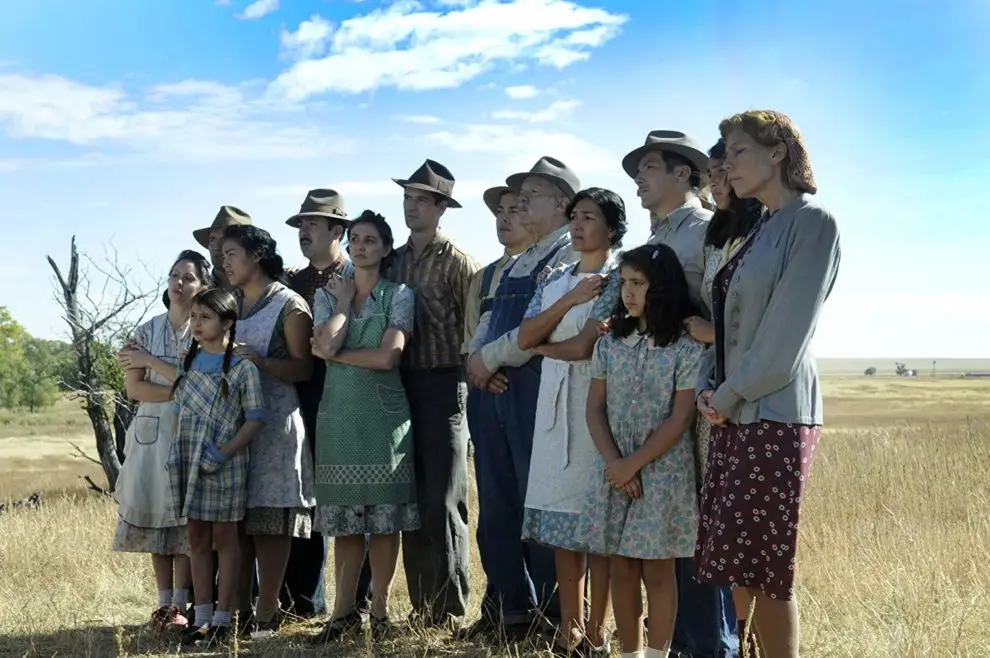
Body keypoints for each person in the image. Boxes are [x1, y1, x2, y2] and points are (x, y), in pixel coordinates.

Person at [695, 110, 841, 658]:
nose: (725, 164)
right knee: (740, 566)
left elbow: (785, 338)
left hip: (776, 413)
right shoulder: (758, 230)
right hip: (733, 411)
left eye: (737, 152)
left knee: (768, 571)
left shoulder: (814, 222)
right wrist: (713, 389)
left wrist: (727, 395)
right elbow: (729, 327)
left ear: (777, 152)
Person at [620, 130, 738, 658]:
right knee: (668, 526)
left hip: (701, 390)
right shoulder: (658, 232)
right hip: (649, 394)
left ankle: (713, 643)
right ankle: (677, 642)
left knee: (699, 523)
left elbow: (730, 310)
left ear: (683, 173)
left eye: (648, 166)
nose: (638, 178)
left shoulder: (709, 231)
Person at [463, 156, 582, 639]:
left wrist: (488, 360)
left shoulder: (568, 255)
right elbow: (489, 323)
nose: (521, 204)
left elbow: (542, 326)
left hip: (539, 391)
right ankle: (512, 609)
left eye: (531, 196)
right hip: (493, 393)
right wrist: (478, 362)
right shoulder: (521, 260)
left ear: (560, 203)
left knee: (542, 503)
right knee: (499, 503)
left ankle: (555, 614)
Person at [579, 243, 704, 658]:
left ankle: (657, 654)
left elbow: (681, 417)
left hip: (664, 472)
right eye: (625, 283)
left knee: (659, 567)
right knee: (621, 565)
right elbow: (595, 409)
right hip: (615, 468)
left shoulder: (685, 348)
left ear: (661, 288)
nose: (628, 292)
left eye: (639, 283)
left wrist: (634, 463)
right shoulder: (610, 344)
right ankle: (630, 653)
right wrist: (617, 464)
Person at [517, 187, 627, 655]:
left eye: (589, 217)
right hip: (553, 407)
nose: (578, 225)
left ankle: (599, 633)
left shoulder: (618, 277)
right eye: (575, 216)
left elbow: (584, 347)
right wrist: (563, 306)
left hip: (597, 404)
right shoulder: (556, 277)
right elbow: (524, 334)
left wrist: (543, 345)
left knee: (595, 524)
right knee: (563, 523)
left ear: (612, 228)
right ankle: (570, 630)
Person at [310, 211, 419, 643]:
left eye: (370, 240)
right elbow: (323, 342)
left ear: (386, 248)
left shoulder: (400, 294)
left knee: (384, 521)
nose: (360, 246)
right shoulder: (328, 294)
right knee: (346, 524)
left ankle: (380, 612)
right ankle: (341, 614)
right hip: (338, 416)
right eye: (354, 238)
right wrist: (340, 303)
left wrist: (334, 356)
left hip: (384, 418)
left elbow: (388, 357)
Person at [386, 159, 479, 628]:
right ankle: (423, 606)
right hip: (398, 385)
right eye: (407, 197)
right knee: (410, 499)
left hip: (446, 383)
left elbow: (474, 331)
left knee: (443, 498)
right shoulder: (393, 261)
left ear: (442, 207)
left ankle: (450, 607)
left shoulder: (459, 262)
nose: (412, 207)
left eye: (422, 199)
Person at [682, 139, 765, 654]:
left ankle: (752, 640)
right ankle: (729, 639)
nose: (718, 181)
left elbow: (755, 321)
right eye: (712, 173)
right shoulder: (715, 236)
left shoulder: (765, 231)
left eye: (724, 171)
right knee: (717, 526)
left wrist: (711, 333)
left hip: (750, 388)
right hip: (710, 387)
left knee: (748, 532)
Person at [221, 225, 316, 637]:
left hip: (276, 423)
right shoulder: (229, 303)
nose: (224, 263)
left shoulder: (289, 305)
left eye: (231, 254)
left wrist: (260, 361)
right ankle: (236, 612)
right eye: (222, 255)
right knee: (237, 519)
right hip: (233, 424)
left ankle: (267, 611)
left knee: (270, 519)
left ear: (256, 256)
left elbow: (304, 368)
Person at [282, 188, 371, 619]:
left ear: (339, 230)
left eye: (313, 224)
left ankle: (360, 599)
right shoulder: (290, 284)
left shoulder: (362, 276)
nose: (304, 231)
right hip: (302, 399)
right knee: (306, 497)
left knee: (357, 497)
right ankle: (304, 600)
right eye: (301, 224)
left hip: (354, 396)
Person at [114, 250, 211, 632]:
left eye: (188, 277)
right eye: (174, 275)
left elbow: (198, 383)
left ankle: (182, 602)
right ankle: (162, 603)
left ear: (203, 286)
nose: (179, 283)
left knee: (185, 519)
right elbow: (135, 388)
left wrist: (152, 363)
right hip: (150, 434)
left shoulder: (204, 330)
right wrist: (179, 387)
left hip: (190, 432)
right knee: (156, 516)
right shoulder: (146, 329)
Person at [169, 288, 266, 649]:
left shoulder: (242, 367)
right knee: (196, 538)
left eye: (206, 317)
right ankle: (203, 617)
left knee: (225, 539)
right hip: (189, 461)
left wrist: (223, 453)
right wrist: (175, 450)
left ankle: (225, 620)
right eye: (194, 316)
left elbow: (256, 418)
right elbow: (178, 409)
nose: (196, 323)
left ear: (227, 323)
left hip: (225, 464)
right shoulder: (188, 362)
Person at [463, 185, 533, 568]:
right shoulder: (484, 277)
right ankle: (500, 608)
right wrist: (481, 373)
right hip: (484, 394)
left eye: (514, 209)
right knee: (494, 507)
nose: (505, 217)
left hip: (526, 394)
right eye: (499, 211)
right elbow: (469, 340)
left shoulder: (552, 264)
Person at [191, 206, 253, 290]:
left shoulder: (268, 291)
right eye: (212, 239)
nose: (217, 246)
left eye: (226, 238)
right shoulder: (198, 293)